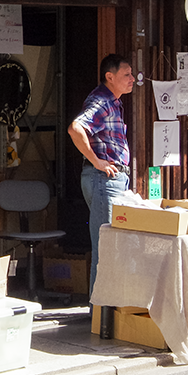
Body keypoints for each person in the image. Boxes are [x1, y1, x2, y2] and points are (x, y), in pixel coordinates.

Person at [68, 53, 135, 293]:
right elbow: (76, 128)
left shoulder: (113, 101)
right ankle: (101, 312)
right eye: (126, 74)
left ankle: (106, 308)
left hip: (111, 179)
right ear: (110, 76)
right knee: (105, 245)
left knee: (110, 242)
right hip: (104, 179)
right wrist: (97, 162)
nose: (132, 78)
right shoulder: (102, 101)